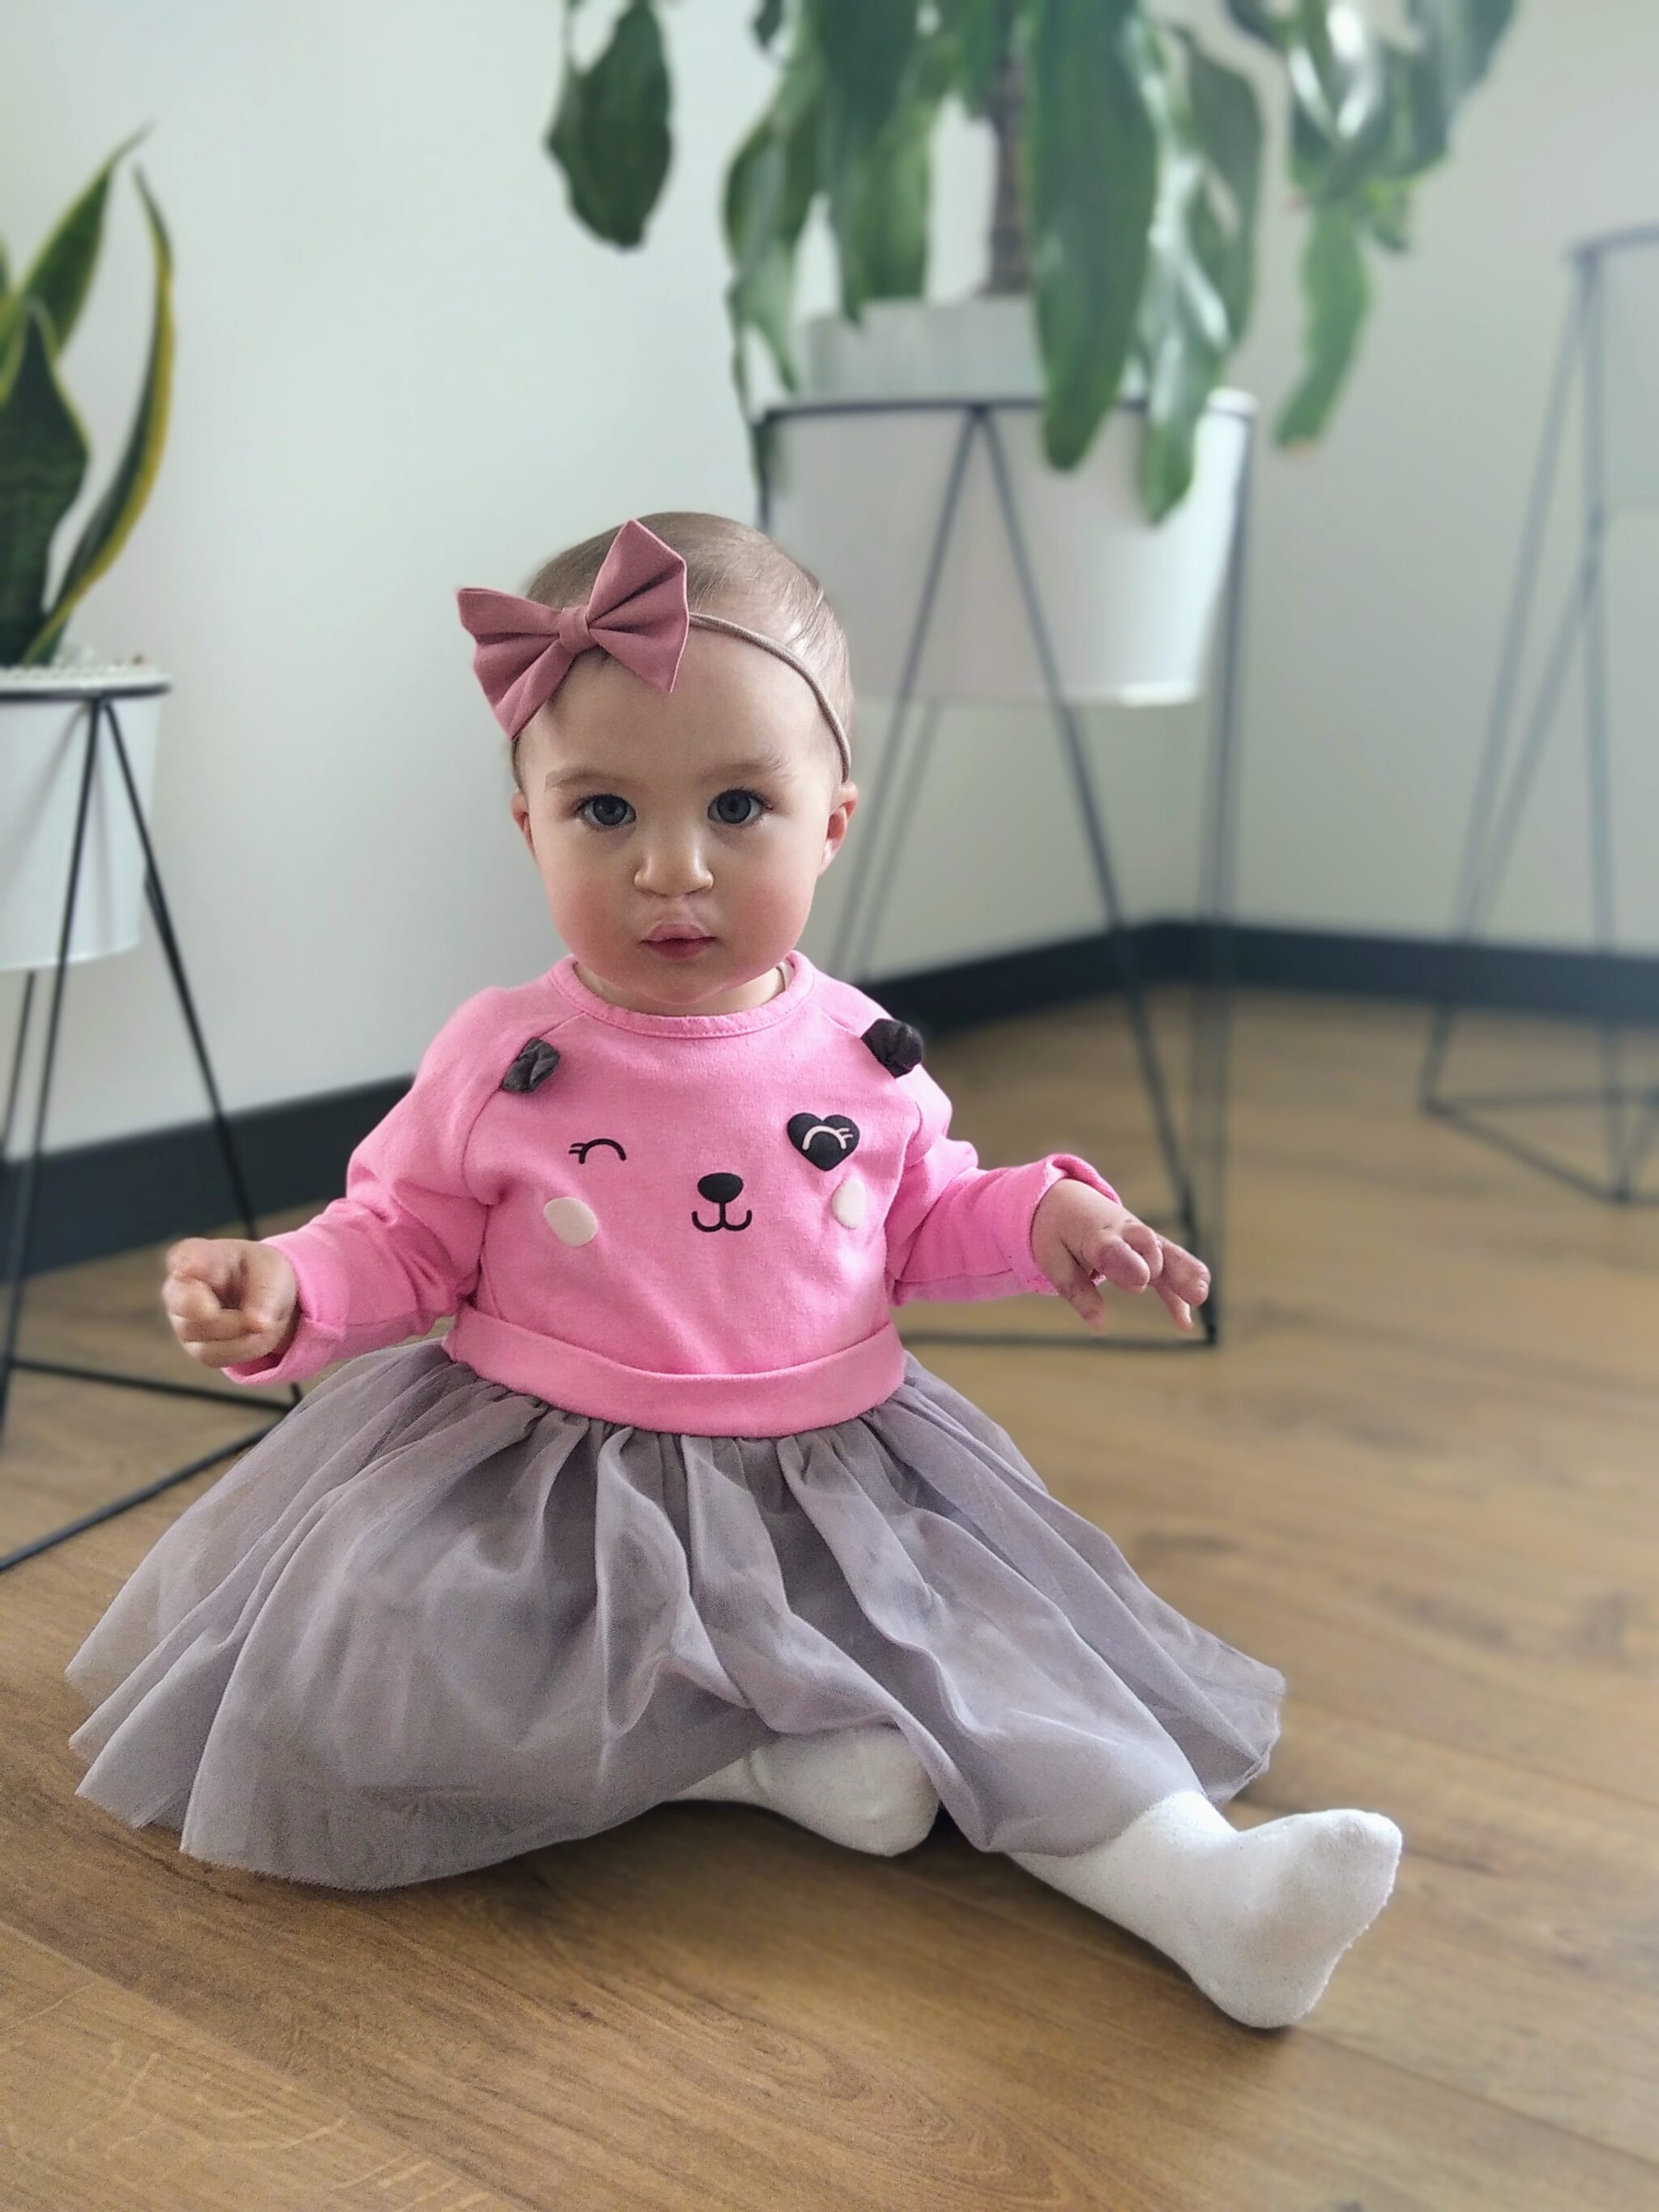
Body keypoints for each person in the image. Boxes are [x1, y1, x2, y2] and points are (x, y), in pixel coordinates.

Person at [64, 514, 1401, 2031]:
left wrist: (1043, 1221)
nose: (673, 869)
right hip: (552, 1489)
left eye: (740, 807)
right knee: (379, 1651)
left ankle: (1210, 1890)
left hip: (832, 1480)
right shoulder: (504, 1057)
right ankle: (758, 1758)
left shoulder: (863, 1054)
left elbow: (916, 1219)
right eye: (606, 810)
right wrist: (296, 1287)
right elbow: (406, 1235)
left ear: (832, 822)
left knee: (1005, 1656)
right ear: (528, 823)